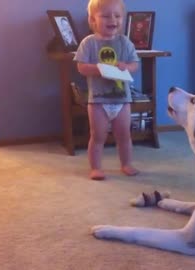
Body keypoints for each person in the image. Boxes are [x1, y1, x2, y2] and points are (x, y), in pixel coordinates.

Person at [74, 0, 140, 180]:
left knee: (124, 135)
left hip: (122, 100)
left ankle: (126, 164)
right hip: (97, 101)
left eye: (117, 16)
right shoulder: (88, 43)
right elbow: (81, 67)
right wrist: (99, 69)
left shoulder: (124, 42)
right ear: (92, 19)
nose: (113, 20)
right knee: (97, 136)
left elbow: (135, 65)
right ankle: (95, 168)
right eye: (106, 16)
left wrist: (126, 66)